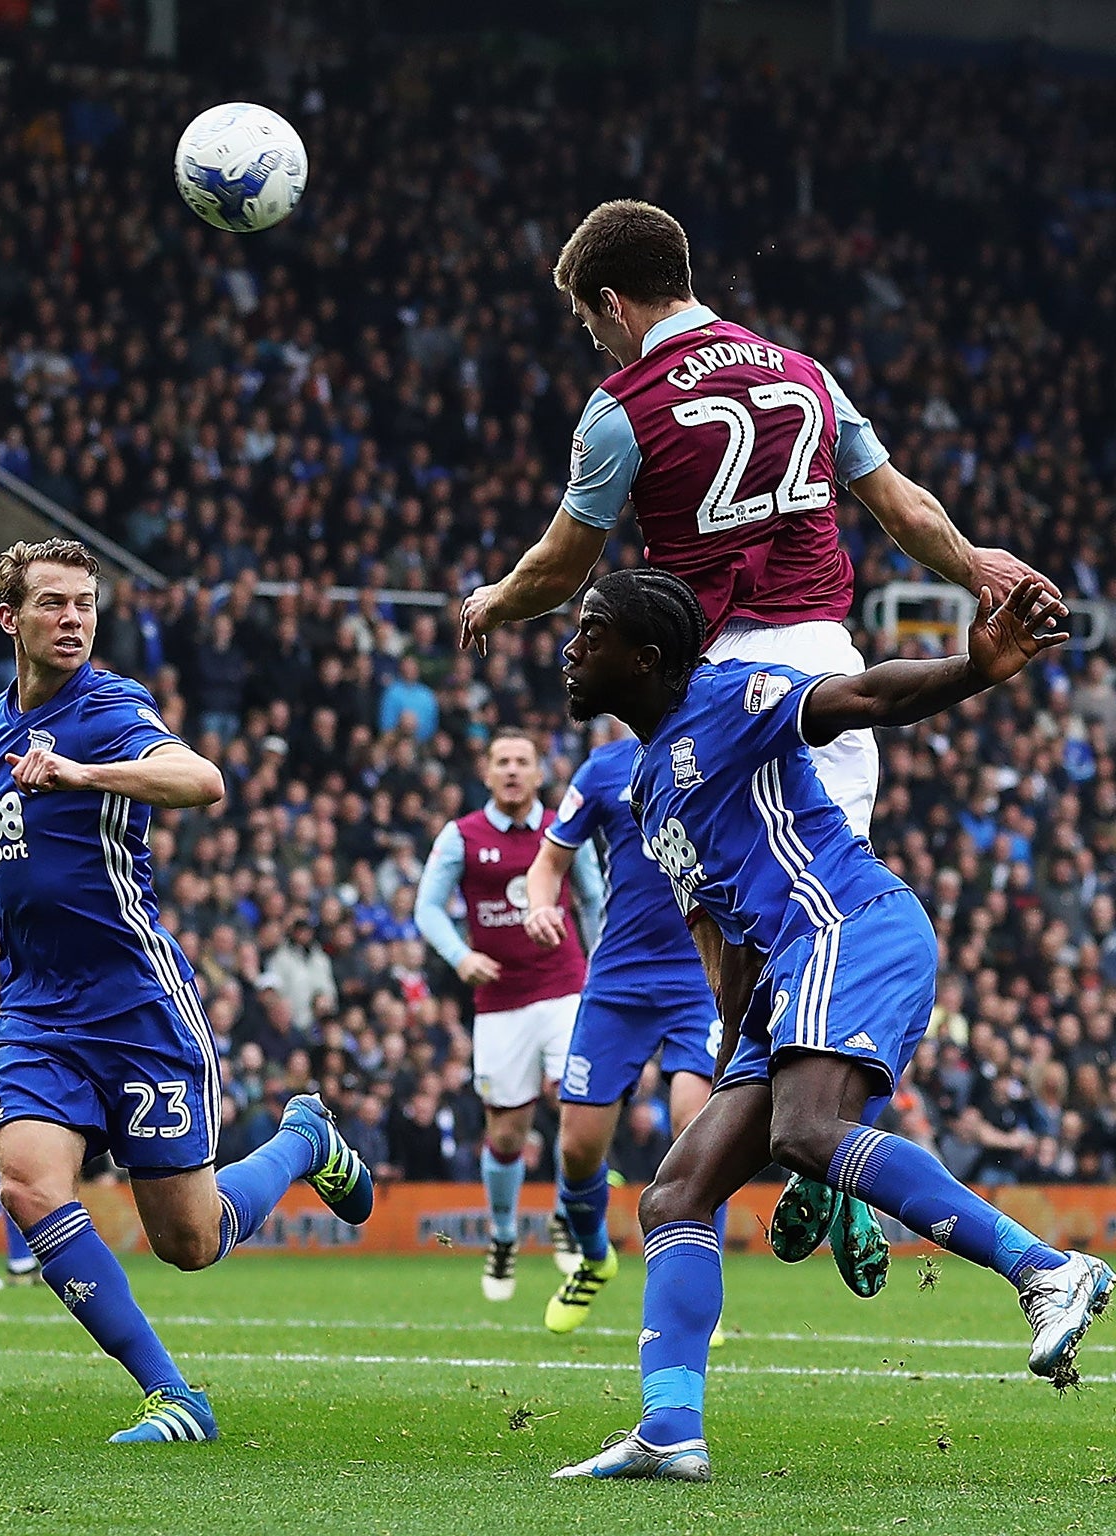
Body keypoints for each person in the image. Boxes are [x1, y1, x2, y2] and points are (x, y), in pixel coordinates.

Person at [458, 199, 1061, 1286]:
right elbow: (896, 504)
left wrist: (490, 602)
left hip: (711, 684)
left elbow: (556, 568)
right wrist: (980, 570)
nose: (591, 340)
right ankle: (812, 1153)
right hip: (823, 660)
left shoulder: (621, 406)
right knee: (797, 921)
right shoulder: (805, 374)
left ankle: (820, 1155)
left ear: (609, 300)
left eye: (588, 320)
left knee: (733, 919)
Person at [552, 567, 1109, 1482]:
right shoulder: (650, 793)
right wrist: (736, 1062)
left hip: (850, 921)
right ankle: (669, 1431)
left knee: (806, 1132)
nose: (572, 650)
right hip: (781, 971)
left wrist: (974, 672)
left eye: (591, 633)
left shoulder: (729, 695)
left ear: (646, 659)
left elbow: (863, 695)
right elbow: (721, 936)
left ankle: (1045, 1269)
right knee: (677, 1193)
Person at [0, 539, 375, 1445]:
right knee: (26, 1186)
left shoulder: (107, 708)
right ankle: (173, 1395)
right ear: (9, 618)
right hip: (37, 1005)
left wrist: (83, 772)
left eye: (86, 604)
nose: (72, 620)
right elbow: (25, 858)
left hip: (134, 1001)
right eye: (53, 604)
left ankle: (302, 1142)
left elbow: (202, 779)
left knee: (190, 1241)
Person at [526, 718, 725, 1333]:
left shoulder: (715, 743)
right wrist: (538, 905)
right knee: (579, 1147)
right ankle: (592, 1256)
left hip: (699, 976)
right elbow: (549, 862)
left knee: (698, 1127)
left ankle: (695, 1292)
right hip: (617, 982)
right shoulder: (602, 770)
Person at [413, 730, 600, 1300]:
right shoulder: (461, 836)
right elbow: (427, 908)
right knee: (507, 1132)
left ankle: (569, 1218)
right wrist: (461, 955)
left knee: (580, 1111)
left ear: (539, 773)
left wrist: (600, 968)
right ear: (488, 773)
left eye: (523, 762)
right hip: (498, 1005)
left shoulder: (565, 828)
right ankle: (502, 1236)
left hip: (565, 988)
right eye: (503, 762)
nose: (513, 771)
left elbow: (592, 898)